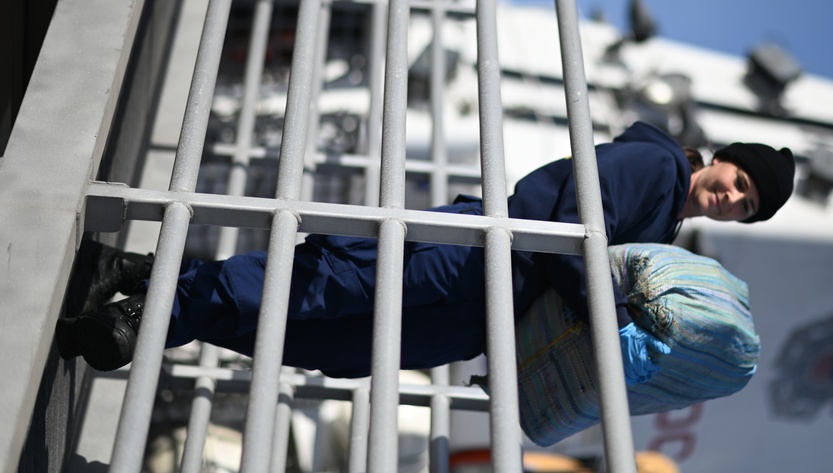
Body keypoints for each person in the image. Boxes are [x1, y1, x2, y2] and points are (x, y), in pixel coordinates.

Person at [56, 121, 794, 376]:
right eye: (737, 181)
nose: (730, 197)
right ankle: (138, 320)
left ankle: (138, 278)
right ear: (721, 159)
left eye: (745, 206)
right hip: (477, 253)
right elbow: (573, 215)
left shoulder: (664, 229)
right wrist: (601, 309)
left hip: (484, 311)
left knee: (330, 344)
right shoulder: (657, 166)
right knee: (322, 288)